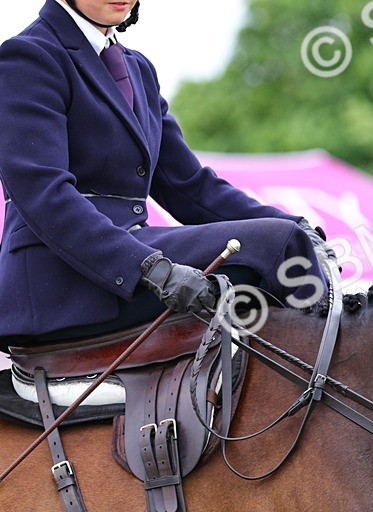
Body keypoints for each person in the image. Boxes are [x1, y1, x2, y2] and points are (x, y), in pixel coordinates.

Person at [0, 0, 332, 347]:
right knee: (275, 244)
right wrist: (150, 269)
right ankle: (330, 378)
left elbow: (190, 186)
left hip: (132, 249)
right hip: (59, 280)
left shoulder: (138, 68)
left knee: (289, 239)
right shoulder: (28, 57)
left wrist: (302, 227)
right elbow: (43, 193)